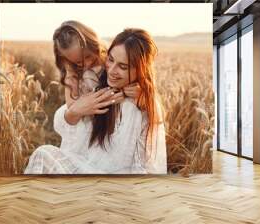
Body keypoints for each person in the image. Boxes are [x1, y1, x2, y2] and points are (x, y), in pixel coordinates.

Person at [24, 28, 166, 174]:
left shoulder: (142, 103)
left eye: (123, 66)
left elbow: (145, 165)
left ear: (141, 70)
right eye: (110, 60)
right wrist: (75, 111)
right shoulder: (98, 85)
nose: (111, 70)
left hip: (114, 184)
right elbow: (69, 131)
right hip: (90, 166)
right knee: (43, 154)